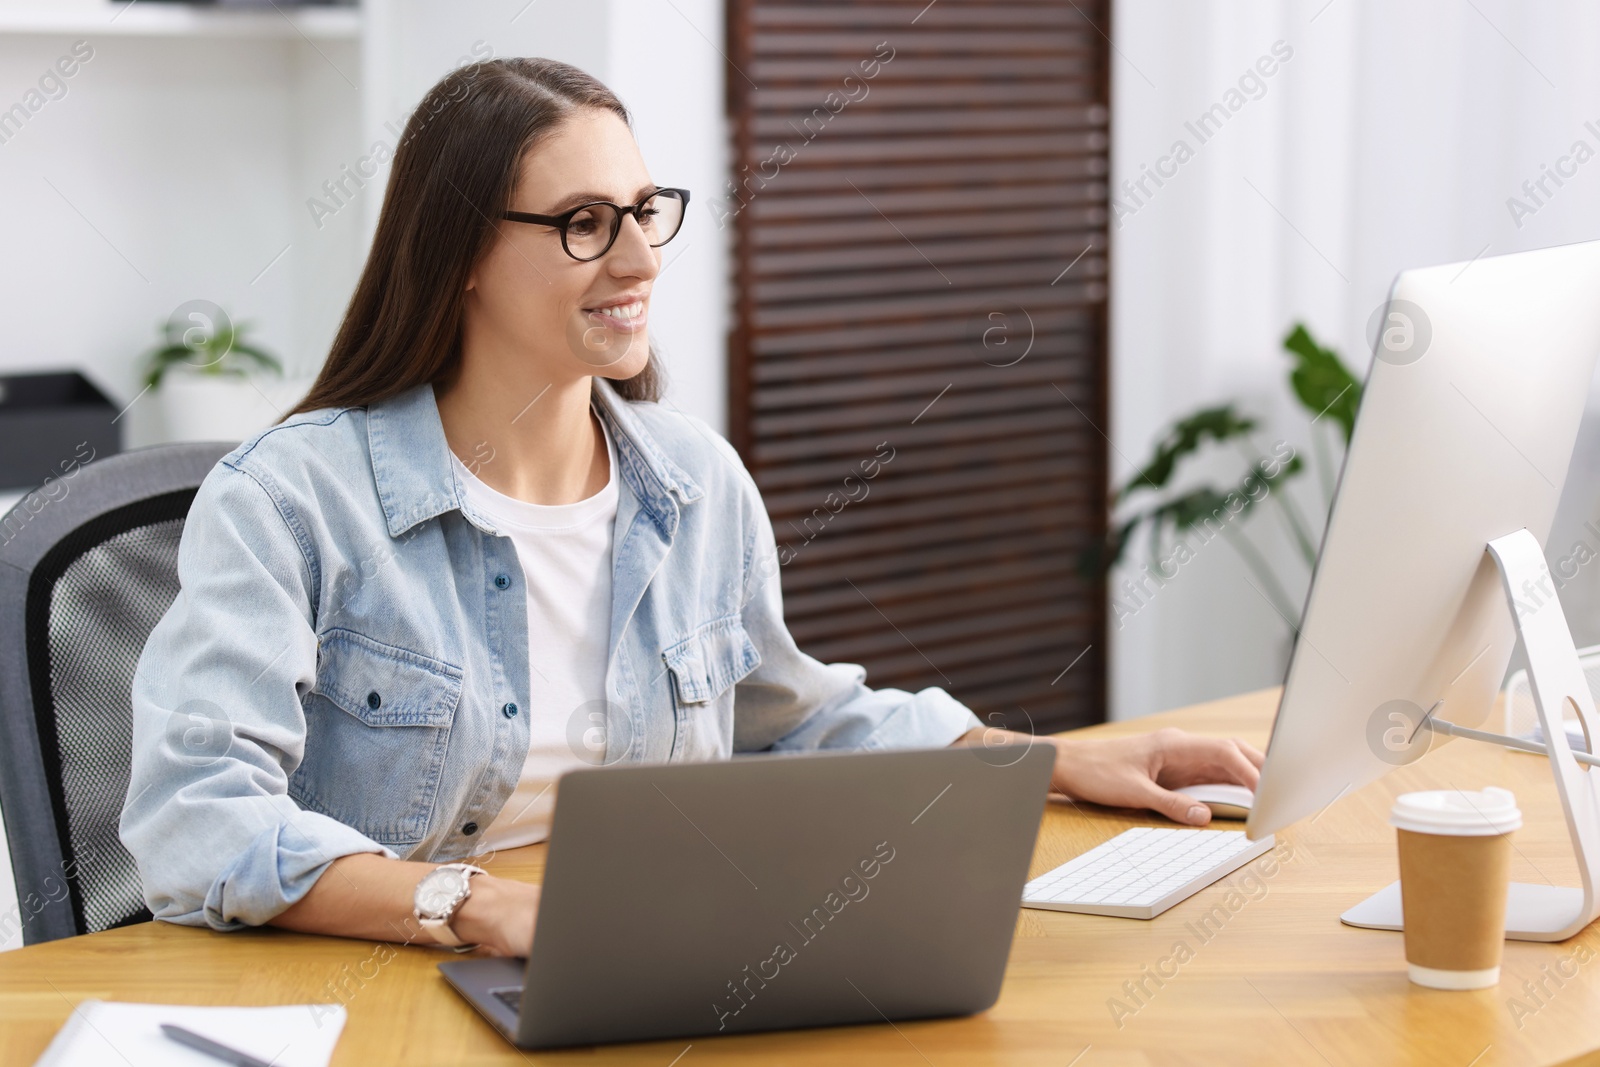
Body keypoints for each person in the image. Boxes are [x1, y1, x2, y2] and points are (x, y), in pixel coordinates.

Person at [120, 57, 1263, 960]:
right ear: (461, 255)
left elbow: (793, 719)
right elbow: (196, 820)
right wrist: (477, 908)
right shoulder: (289, 504)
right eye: (582, 222)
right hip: (383, 979)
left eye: (643, 209)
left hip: (648, 955)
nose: (636, 258)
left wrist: (1047, 759)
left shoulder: (691, 483)